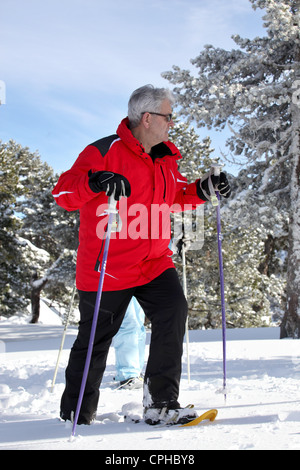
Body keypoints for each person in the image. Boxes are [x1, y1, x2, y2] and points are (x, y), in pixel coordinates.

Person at [52, 84, 231, 426]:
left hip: (153, 263)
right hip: (108, 267)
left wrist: (202, 190)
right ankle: (75, 413)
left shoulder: (164, 158)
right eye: (168, 116)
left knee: (173, 310)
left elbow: (175, 194)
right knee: (94, 341)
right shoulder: (104, 151)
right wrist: (94, 181)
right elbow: (62, 192)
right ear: (147, 118)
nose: (172, 123)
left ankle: (161, 403)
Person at [113, 297, 146, 390]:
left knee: (138, 323)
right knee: (128, 322)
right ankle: (127, 374)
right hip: (120, 285)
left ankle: (135, 371)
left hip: (138, 284)